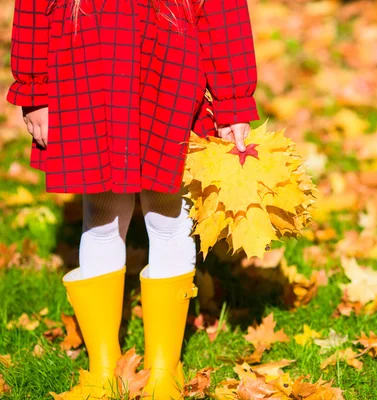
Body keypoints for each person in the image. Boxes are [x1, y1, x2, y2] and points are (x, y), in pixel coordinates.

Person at [7, 0, 259, 398]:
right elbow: (33, 9)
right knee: (103, 215)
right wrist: (35, 89)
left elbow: (224, 13)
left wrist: (232, 102)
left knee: (167, 211)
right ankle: (102, 366)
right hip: (87, 68)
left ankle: (165, 369)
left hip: (170, 68)